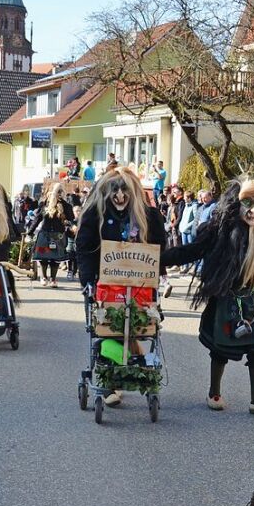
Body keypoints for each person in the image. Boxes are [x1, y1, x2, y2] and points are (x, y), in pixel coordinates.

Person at [162, 180, 254, 415]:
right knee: (220, 348)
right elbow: (190, 251)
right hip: (228, 297)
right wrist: (159, 259)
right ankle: (214, 391)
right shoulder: (219, 228)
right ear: (235, 205)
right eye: (248, 202)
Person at [76, 167, 169, 407]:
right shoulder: (95, 216)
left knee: (137, 329)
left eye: (124, 189)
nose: (119, 195)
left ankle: (130, 368)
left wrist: (158, 274)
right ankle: (111, 380)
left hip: (140, 287)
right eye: (114, 190)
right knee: (109, 329)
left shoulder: (147, 216)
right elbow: (85, 249)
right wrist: (86, 280)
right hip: (107, 286)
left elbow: (159, 249)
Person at [27, 182, 74, 287]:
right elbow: (37, 218)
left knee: (56, 259)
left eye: (61, 191)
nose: (59, 193)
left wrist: (64, 204)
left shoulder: (66, 205)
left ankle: (53, 279)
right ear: (52, 192)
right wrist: (30, 231)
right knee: (43, 257)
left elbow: (71, 218)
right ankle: (43, 277)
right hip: (45, 234)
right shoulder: (44, 204)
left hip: (59, 235)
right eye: (58, 191)